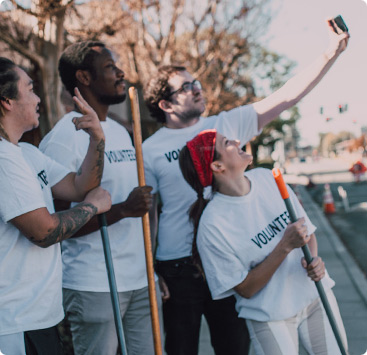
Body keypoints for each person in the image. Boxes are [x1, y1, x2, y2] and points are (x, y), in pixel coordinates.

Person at [142, 19, 349, 355]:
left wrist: (329, 54)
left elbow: (285, 96)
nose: (197, 88)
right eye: (185, 87)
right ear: (165, 105)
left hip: (235, 259)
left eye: (196, 82)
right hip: (178, 265)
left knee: (234, 346)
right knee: (181, 347)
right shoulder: (149, 149)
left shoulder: (223, 126)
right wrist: (150, 271)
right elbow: (148, 216)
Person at [178, 129, 349, 355]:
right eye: (227, 142)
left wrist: (314, 260)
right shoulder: (212, 225)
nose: (238, 141)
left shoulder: (267, 178)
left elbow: (306, 232)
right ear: (217, 167)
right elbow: (246, 289)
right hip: (269, 315)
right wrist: (284, 246)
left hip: (314, 296)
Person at [39, 41, 161, 355]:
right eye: (109, 67)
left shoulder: (120, 130)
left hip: (140, 278)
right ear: (84, 77)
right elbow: (53, 228)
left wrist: (153, 271)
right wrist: (121, 210)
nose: (121, 73)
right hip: (95, 284)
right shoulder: (65, 138)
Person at [0, 57, 111, 355]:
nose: (38, 98)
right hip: (13, 325)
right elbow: (43, 231)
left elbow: (79, 185)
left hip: (38, 316)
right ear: (7, 101)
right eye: (30, 89)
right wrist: (92, 208)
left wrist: (96, 138)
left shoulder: (25, 153)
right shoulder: (2, 160)